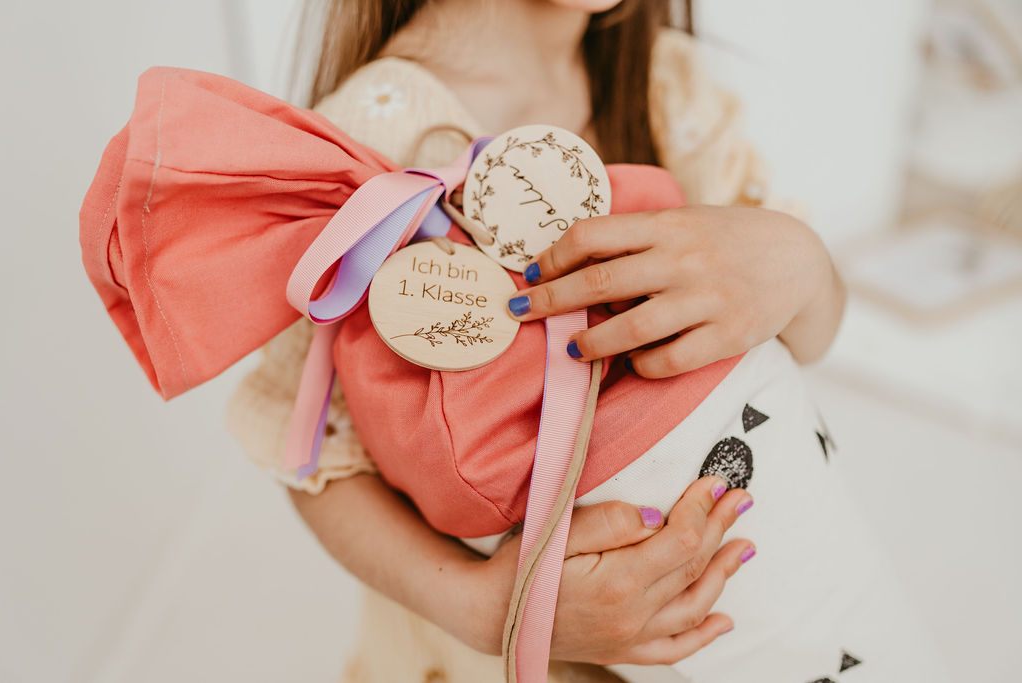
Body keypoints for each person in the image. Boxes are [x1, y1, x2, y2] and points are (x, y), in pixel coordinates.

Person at [225, 1, 951, 681]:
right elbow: (310, 451)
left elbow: (802, 340)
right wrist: (488, 609)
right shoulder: (361, 141)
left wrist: (803, 267)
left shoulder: (666, 86)